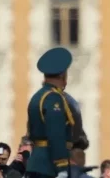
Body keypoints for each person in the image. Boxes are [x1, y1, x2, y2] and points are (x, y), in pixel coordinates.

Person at [26, 47, 75, 178]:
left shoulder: (38, 96)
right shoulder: (53, 98)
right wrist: (62, 166)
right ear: (62, 74)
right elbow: (56, 133)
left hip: (37, 162)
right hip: (49, 166)